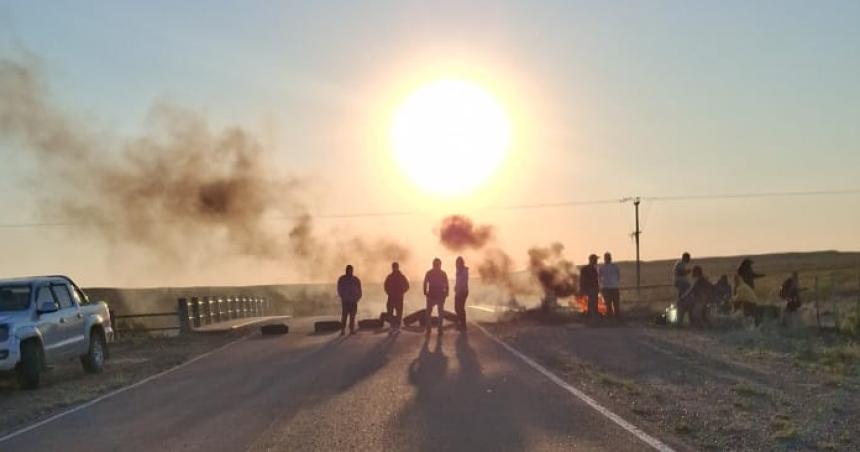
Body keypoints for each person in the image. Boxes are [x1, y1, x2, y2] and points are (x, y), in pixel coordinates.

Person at [423, 258, 449, 335]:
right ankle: (433, 329)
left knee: (436, 313)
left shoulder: (433, 273)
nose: (437, 266)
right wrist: (425, 292)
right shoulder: (432, 273)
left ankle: (435, 329)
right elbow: (425, 283)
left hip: (437, 295)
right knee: (434, 313)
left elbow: (446, 284)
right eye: (436, 264)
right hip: (434, 295)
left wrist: (446, 293)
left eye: (438, 264)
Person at [336, 265, 362, 335]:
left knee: (352, 316)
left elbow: (359, 289)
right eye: (349, 270)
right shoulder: (342, 279)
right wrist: (342, 297)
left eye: (351, 270)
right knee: (344, 316)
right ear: (346, 270)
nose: (350, 271)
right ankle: (343, 330)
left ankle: (351, 329)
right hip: (346, 301)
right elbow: (339, 289)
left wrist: (358, 297)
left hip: (353, 301)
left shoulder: (356, 279)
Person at [384, 262, 410, 330]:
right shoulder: (390, 277)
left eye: (395, 267)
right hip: (391, 297)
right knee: (390, 312)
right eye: (393, 267)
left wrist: (401, 292)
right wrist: (389, 293)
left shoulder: (401, 277)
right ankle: (392, 326)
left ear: (397, 267)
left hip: (399, 298)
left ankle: (397, 327)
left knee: (399, 313)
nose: (394, 269)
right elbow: (386, 286)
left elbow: (407, 286)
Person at [599, 252, 621, 318]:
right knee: (608, 304)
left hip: (614, 288)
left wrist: (615, 283)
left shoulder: (615, 266)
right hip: (606, 288)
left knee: (616, 304)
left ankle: (617, 318)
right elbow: (599, 277)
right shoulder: (602, 267)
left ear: (610, 258)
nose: (607, 259)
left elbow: (618, 276)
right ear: (604, 258)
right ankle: (610, 318)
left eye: (608, 257)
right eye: (606, 257)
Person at [580, 254, 600, 319]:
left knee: (593, 303)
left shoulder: (593, 269)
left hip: (593, 289)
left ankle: (592, 316)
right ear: (592, 260)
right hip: (590, 289)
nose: (596, 261)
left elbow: (596, 280)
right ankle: (592, 317)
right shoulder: (586, 269)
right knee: (592, 303)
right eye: (595, 259)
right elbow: (582, 280)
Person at [454, 256, 469, 331]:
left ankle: (463, 325)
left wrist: (459, 289)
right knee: (457, 308)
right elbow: (458, 281)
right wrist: (456, 286)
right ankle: (461, 323)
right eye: (457, 263)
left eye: (458, 262)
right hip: (459, 291)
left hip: (463, 291)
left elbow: (464, 281)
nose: (457, 264)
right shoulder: (458, 270)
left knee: (460, 308)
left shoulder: (464, 270)